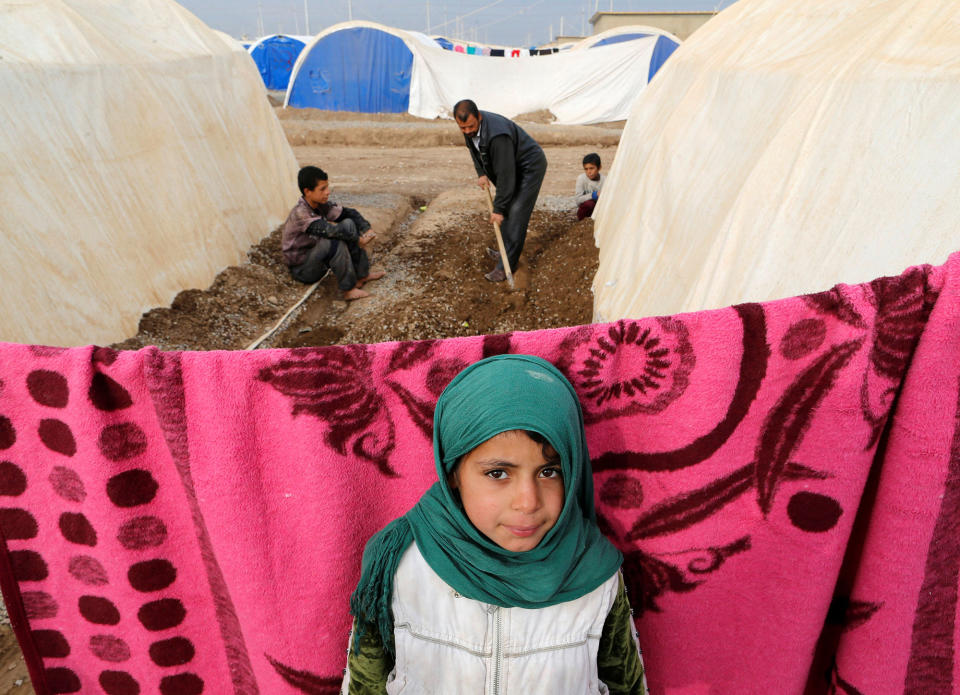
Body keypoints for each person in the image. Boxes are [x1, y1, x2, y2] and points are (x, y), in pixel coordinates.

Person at [342, 354, 649, 694]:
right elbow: (364, 684)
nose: (528, 502)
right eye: (498, 473)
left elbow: (626, 685)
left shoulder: (594, 574)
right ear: (453, 473)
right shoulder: (399, 563)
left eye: (549, 472)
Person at [453, 99, 548, 283]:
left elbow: (506, 177)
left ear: (479, 117)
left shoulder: (497, 135)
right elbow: (473, 149)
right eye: (462, 128)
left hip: (529, 168)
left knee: (516, 212)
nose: (467, 131)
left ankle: (506, 266)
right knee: (506, 207)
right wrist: (481, 172)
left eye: (470, 127)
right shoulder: (469, 127)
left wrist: (498, 209)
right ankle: (505, 250)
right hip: (511, 166)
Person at [282, 166, 384, 300]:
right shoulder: (301, 214)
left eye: (327, 187)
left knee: (348, 223)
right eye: (322, 189)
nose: (328, 192)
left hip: (317, 257)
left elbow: (349, 213)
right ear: (308, 191)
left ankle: (362, 275)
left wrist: (366, 229)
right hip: (303, 269)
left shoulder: (320, 205)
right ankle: (348, 289)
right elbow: (330, 232)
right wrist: (358, 239)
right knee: (334, 240)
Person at [575, 152, 605, 221]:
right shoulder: (581, 179)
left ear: (599, 167)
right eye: (586, 169)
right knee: (589, 204)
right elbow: (578, 200)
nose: (589, 172)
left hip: (600, 211)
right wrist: (593, 195)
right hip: (586, 212)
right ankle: (583, 223)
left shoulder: (605, 180)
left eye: (591, 168)